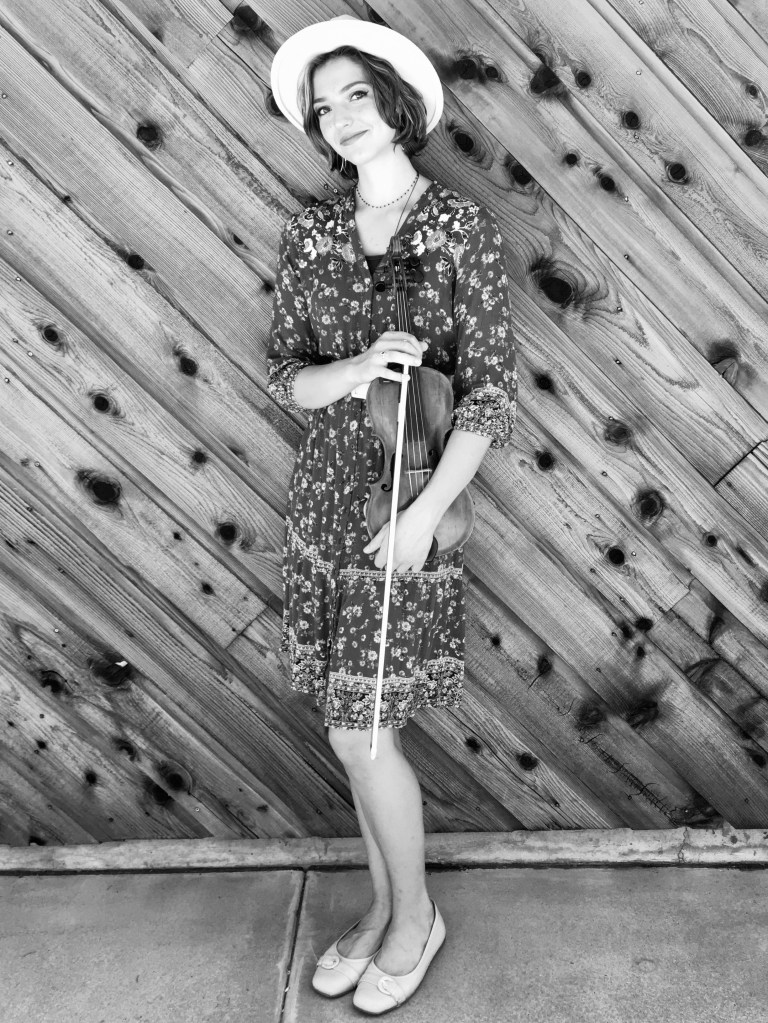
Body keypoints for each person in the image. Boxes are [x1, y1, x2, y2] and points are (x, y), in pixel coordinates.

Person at [268, 15, 518, 1015]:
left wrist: (422, 519)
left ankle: (415, 918)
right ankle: (382, 909)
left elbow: (490, 396)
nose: (340, 118)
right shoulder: (311, 233)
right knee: (351, 731)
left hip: (409, 503)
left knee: (363, 731)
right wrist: (358, 367)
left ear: (396, 101)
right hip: (324, 506)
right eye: (323, 107)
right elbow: (288, 376)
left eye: (356, 95)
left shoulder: (458, 230)